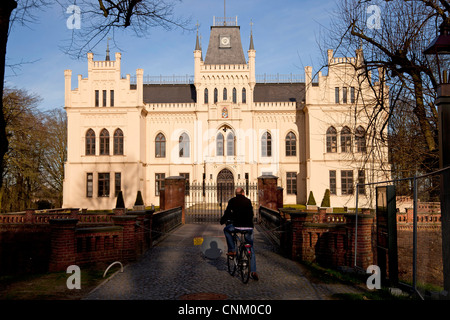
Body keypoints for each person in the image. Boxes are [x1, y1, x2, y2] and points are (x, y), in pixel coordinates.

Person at [220, 187, 258, 280]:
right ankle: (253, 271)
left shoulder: (232, 201)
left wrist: (222, 220)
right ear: (243, 193)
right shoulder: (248, 201)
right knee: (250, 247)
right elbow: (251, 214)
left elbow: (227, 213)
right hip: (249, 227)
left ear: (236, 194)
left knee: (226, 230)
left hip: (237, 226)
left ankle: (232, 250)